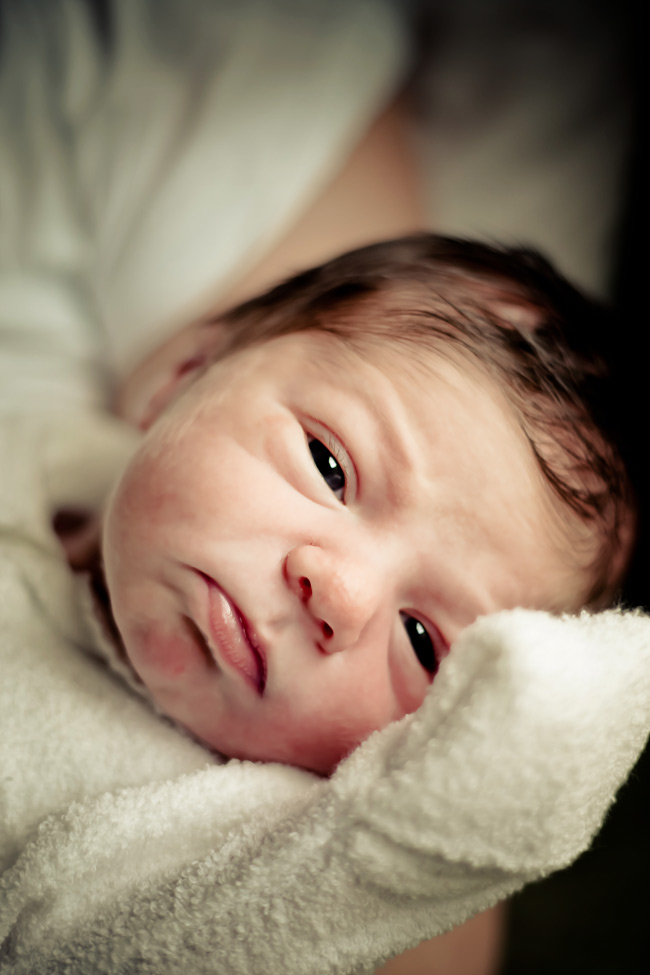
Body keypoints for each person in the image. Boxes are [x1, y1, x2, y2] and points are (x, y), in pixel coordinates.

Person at [0, 2, 637, 973]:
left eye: (422, 642)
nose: (336, 596)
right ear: (183, 372)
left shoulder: (264, 848)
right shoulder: (31, 446)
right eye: (329, 467)